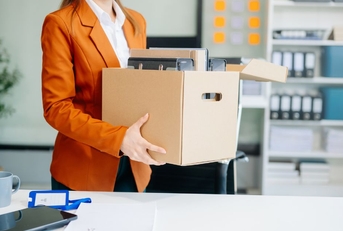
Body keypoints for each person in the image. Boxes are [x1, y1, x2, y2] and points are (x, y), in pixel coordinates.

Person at [41, 0, 166, 192]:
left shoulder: (136, 22)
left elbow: (139, 89)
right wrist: (119, 139)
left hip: (135, 168)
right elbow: (56, 108)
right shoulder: (60, 23)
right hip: (85, 169)